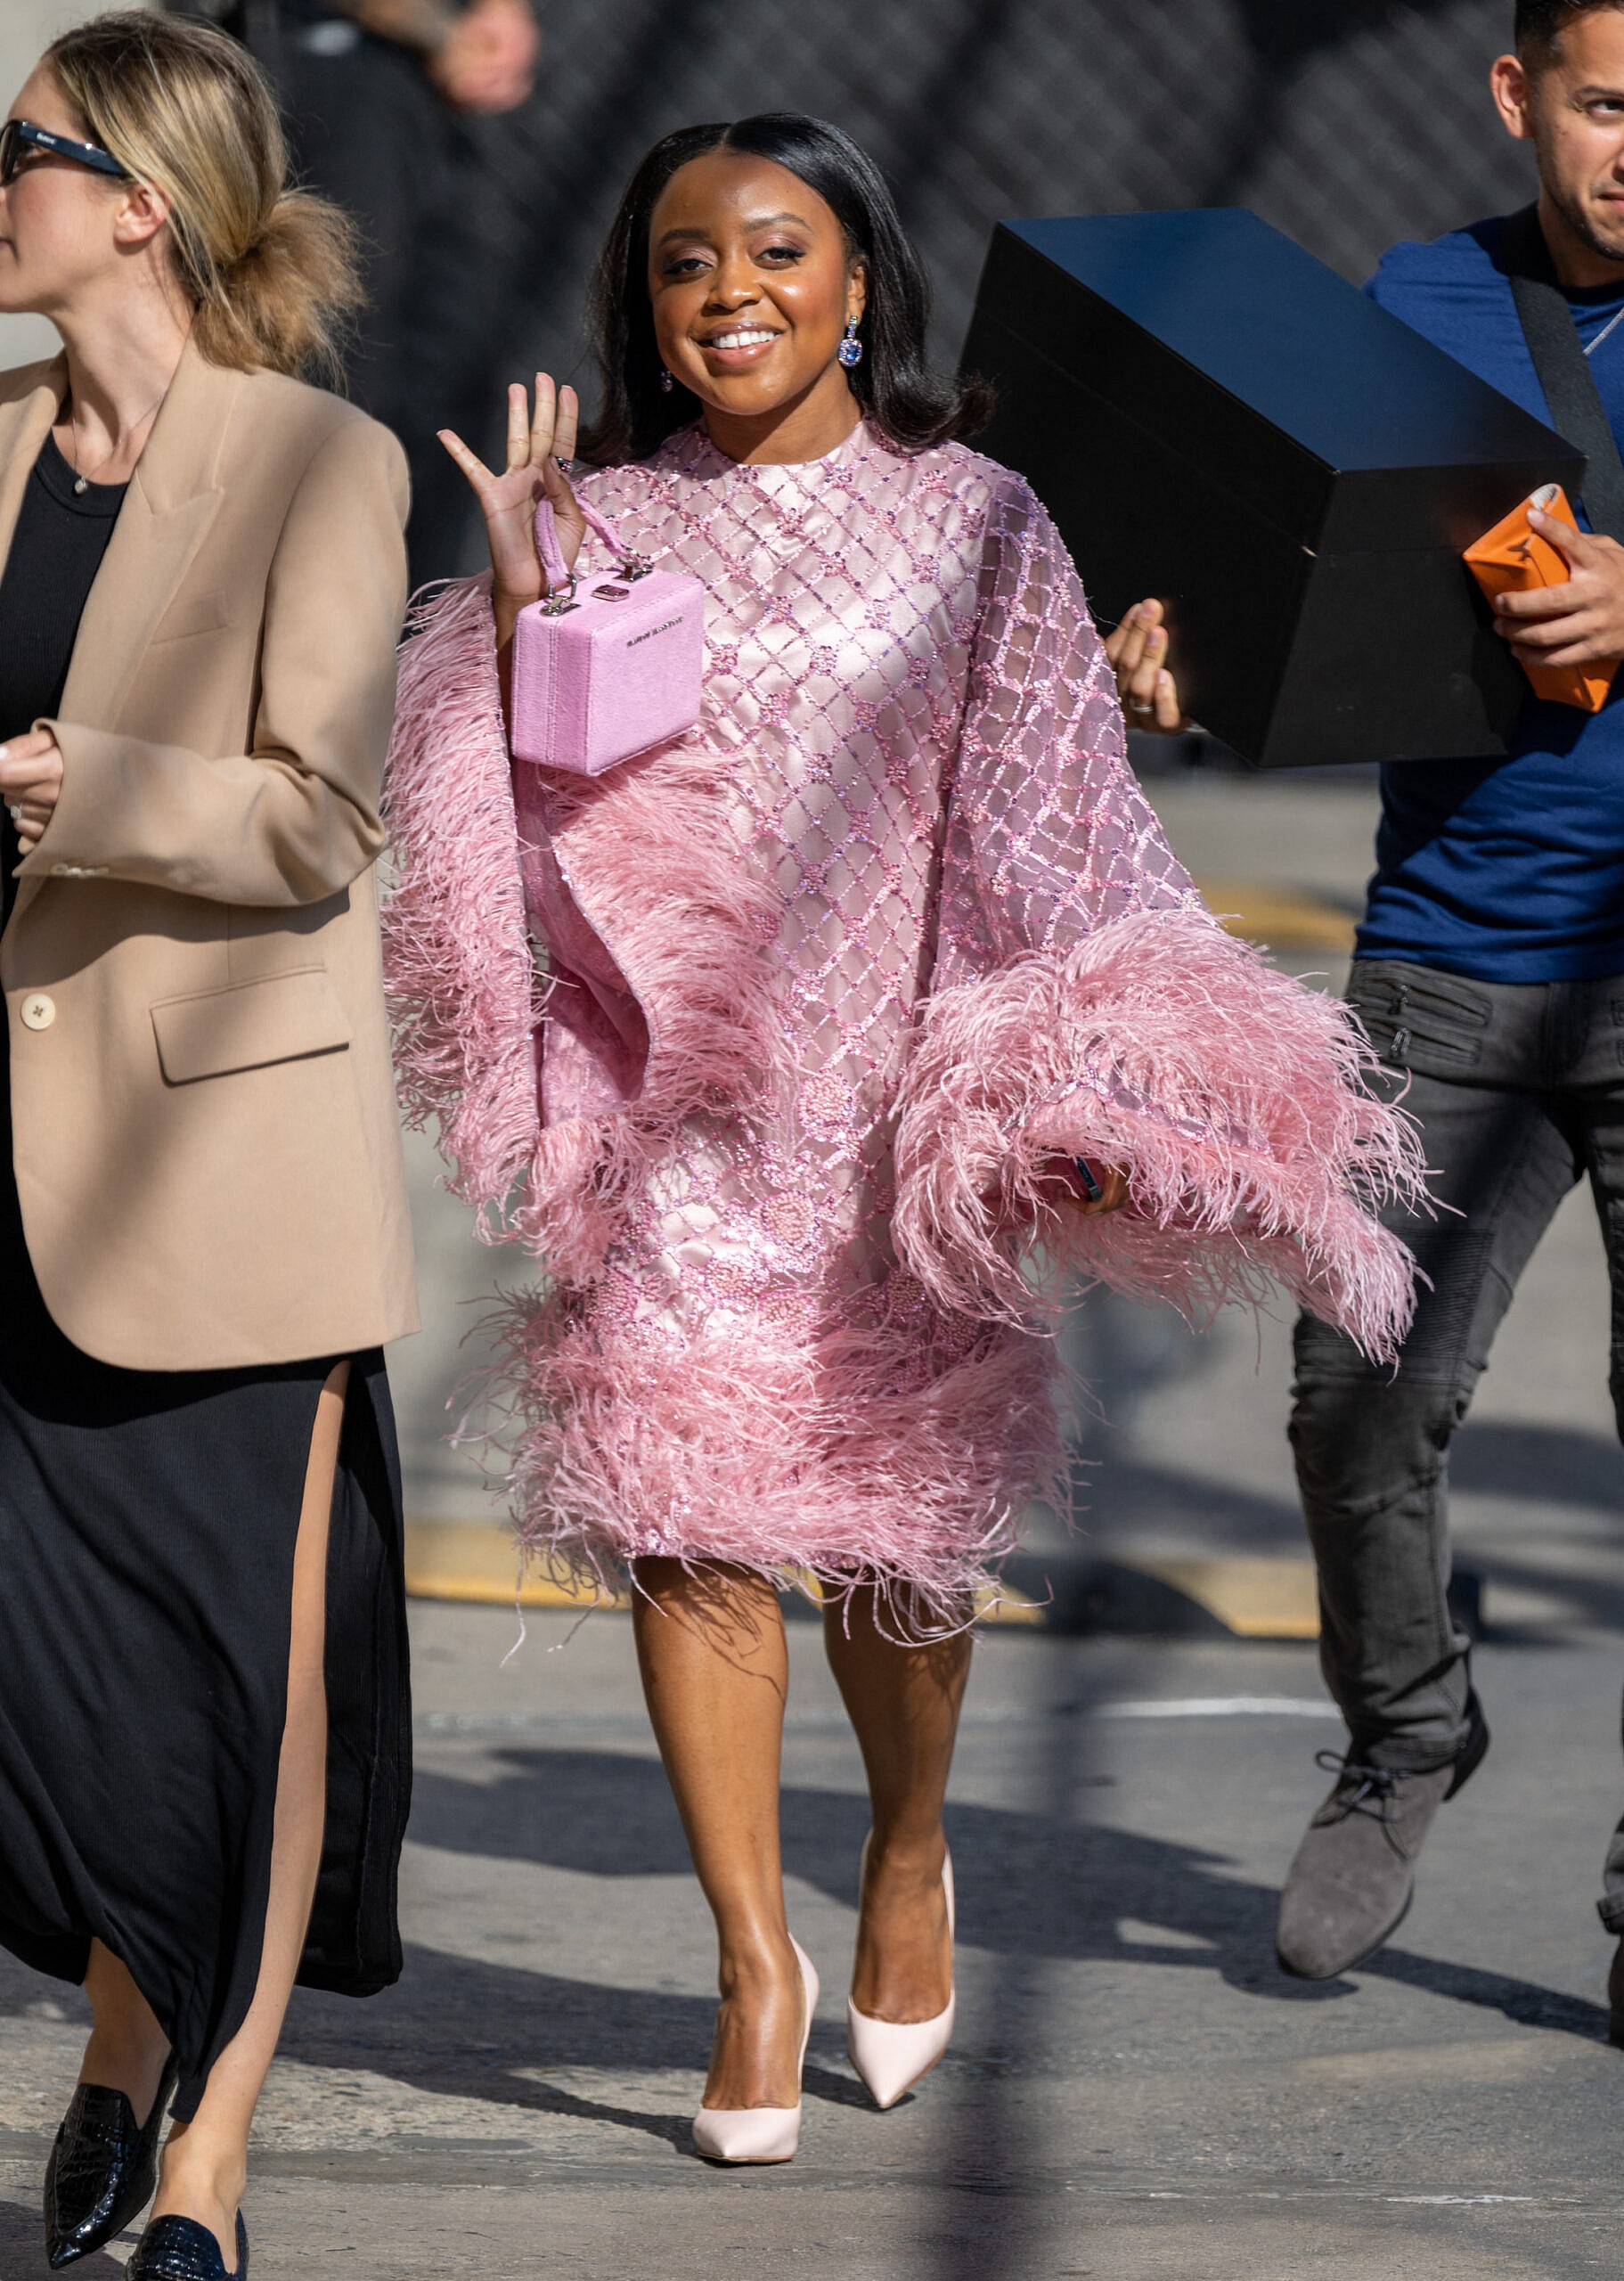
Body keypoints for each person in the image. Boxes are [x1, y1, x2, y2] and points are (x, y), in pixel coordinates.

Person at [384, 112, 1421, 2164]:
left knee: (901, 1539)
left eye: (775, 248)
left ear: (861, 280)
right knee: (677, 1506)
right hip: (687, 1107)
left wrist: (1088, 1080)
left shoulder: (977, 520)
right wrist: (522, 615)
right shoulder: (600, 511)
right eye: (684, 261)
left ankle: (910, 1852)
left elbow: (1052, 828)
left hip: (896, 1109)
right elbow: (549, 828)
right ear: (645, 306)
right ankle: (752, 1955)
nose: (728, 290)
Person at [1109, 0, 1624, 2003]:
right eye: (1601, 103)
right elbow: (1312, 598)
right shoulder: (1420, 298)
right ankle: (1406, 1725)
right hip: (1448, 948)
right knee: (1349, 1396)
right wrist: (1189, 660)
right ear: (1515, 98)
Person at [0, 12, 417, 2275]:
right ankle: (108, 2037)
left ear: (137, 200)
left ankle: (206, 2148)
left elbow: (321, 814)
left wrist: (87, 784)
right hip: (9, 1148)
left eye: (24, 152)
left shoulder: (315, 462)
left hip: (217, 1164)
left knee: (233, 1680)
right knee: (58, 1675)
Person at [175, 0, 540, 587]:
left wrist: (500, 14)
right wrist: (441, 29)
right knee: (337, 387)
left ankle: (413, 656)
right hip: (313, 66)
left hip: (426, 95)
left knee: (446, 395)